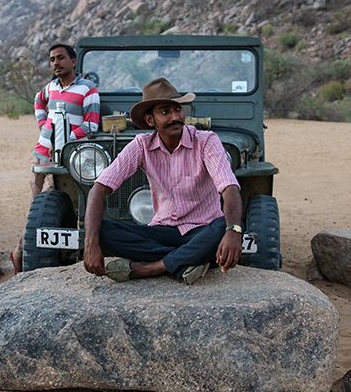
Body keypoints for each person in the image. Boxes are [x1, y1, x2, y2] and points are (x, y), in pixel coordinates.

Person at [83, 78, 243, 284]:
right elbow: (99, 188)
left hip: (203, 230)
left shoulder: (206, 141)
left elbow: (229, 188)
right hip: (162, 231)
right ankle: (187, 260)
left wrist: (233, 232)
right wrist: (90, 243)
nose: (176, 117)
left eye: (178, 109)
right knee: (101, 231)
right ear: (151, 121)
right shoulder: (141, 145)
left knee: (227, 225)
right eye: (165, 112)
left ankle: (153, 267)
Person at [11, 43, 99, 273]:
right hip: (43, 153)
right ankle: (22, 253)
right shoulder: (50, 88)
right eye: (52, 60)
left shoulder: (88, 89)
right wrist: (44, 126)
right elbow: (38, 101)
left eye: (60, 58)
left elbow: (91, 125)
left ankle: (21, 254)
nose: (55, 63)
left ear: (73, 61)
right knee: (36, 208)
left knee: (54, 204)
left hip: (71, 156)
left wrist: (66, 138)